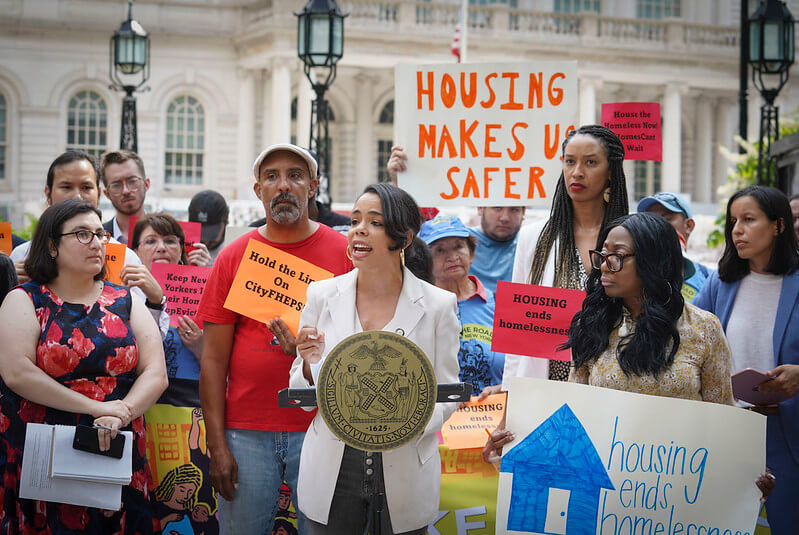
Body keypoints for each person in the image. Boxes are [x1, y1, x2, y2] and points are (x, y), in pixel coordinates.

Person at [484, 213, 775, 494]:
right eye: (603, 255)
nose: (604, 266)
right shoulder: (592, 326)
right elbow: (573, 419)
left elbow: (723, 416)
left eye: (618, 255)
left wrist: (747, 474)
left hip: (682, 502)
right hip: (609, 502)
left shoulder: (704, 329)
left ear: (653, 260)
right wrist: (515, 442)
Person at [197, 143, 352, 534]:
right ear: (258, 190)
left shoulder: (344, 253)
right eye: (272, 177)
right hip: (245, 431)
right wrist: (217, 448)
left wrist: (307, 354)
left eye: (295, 176)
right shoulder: (233, 257)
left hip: (323, 426)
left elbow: (359, 343)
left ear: (313, 186)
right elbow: (213, 360)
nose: (283, 185)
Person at [290, 183, 460, 535]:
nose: (359, 230)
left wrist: (405, 424)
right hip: (333, 469)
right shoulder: (322, 295)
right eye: (354, 220)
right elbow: (301, 397)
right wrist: (307, 362)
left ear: (404, 237)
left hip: (406, 466)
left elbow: (448, 392)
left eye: (375, 222)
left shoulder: (438, 305)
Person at [0, 198, 168, 533]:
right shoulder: (24, 299)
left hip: (116, 441)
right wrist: (95, 408)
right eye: (82, 234)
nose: (96, 243)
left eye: (99, 234)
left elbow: (156, 373)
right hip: (44, 450)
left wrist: (122, 412)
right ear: (51, 245)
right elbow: (17, 372)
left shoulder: (125, 299)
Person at [694, 185, 799, 533]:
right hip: (729, 430)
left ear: (779, 225)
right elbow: (692, 345)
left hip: (788, 435)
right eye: (732, 221)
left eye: (749, 219)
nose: (737, 229)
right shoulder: (719, 283)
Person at [499, 124, 629, 387]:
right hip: (546, 387)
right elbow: (516, 335)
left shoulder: (631, 237)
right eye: (570, 161)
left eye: (591, 162)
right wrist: (509, 392)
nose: (577, 172)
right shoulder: (534, 237)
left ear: (611, 172)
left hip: (612, 388)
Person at [9, 151, 169, 337]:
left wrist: (155, 300)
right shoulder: (22, 256)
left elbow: (147, 339)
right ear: (48, 193)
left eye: (86, 187)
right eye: (66, 187)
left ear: (99, 194)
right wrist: (9, 284)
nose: (77, 196)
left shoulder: (126, 257)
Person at [419, 215, 504, 394]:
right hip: (441, 419)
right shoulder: (419, 309)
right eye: (439, 251)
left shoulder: (500, 304)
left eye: (458, 247)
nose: (452, 257)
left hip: (495, 415)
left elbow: (522, 369)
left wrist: (504, 389)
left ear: (471, 254)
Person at [130, 213, 203, 379]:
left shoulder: (201, 291)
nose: (161, 247)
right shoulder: (125, 295)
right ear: (136, 252)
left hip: (188, 399)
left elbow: (222, 365)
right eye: (150, 241)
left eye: (169, 241)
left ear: (181, 249)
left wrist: (200, 346)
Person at [637, 191, 710, 301]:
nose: (657, 226)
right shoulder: (634, 277)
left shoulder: (710, 279)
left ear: (689, 226)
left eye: (666, 219)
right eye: (650, 220)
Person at [100, 150, 150, 244]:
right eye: (116, 185)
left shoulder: (169, 236)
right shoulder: (97, 239)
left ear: (146, 184)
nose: (125, 191)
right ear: (107, 194)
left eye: (132, 181)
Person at [189, 190, 230, 264]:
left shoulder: (235, 252)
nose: (206, 242)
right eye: (200, 233)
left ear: (226, 219)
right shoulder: (180, 252)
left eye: (211, 233)